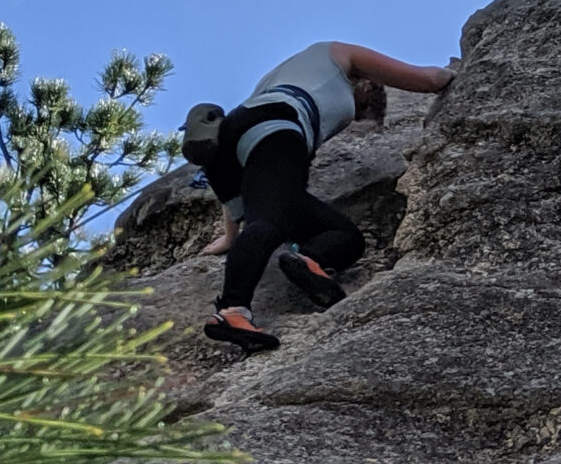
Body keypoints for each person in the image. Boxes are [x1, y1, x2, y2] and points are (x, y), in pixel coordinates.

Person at [185, 41, 455, 351]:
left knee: (346, 236)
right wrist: (461, 77)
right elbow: (427, 79)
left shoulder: (284, 73)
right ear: (367, 84)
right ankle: (232, 311)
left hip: (228, 143)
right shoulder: (339, 54)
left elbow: (248, 190)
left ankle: (312, 259)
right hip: (277, 125)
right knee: (270, 221)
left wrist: (230, 237)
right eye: (362, 106)